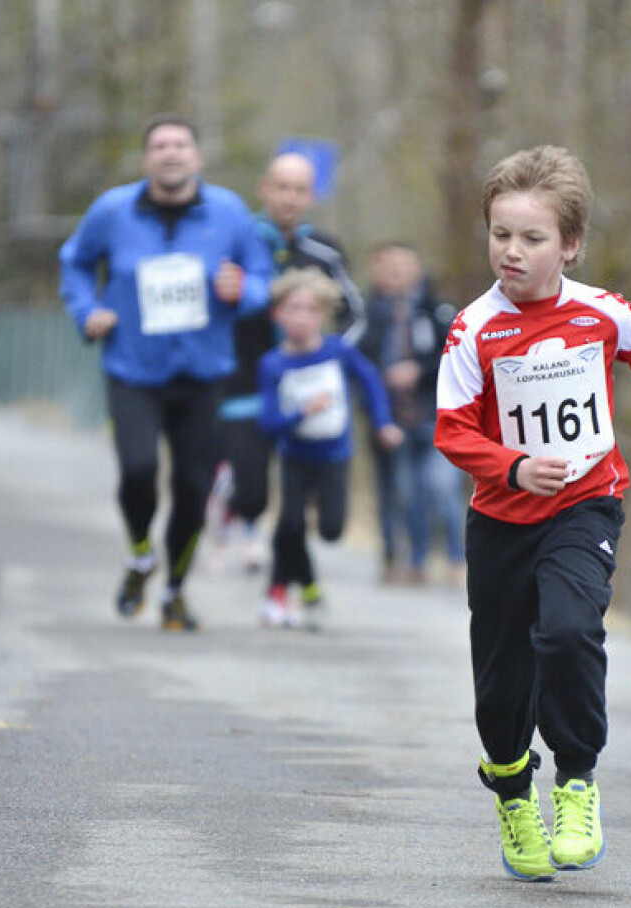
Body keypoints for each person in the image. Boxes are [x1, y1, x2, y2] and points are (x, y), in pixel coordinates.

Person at [435, 146, 631, 881]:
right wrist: (512, 466)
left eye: (532, 238)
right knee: (502, 678)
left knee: (570, 631)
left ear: (570, 245)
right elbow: (451, 428)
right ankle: (514, 792)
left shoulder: (601, 312)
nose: (511, 252)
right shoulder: (474, 328)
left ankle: (576, 780)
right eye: (499, 234)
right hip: (502, 520)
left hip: (587, 502)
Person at [59, 112, 273, 631]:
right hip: (133, 368)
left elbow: (264, 275)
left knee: (194, 487)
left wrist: (241, 291)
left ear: (197, 156)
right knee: (136, 471)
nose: (171, 152)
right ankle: (139, 555)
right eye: (160, 145)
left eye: (181, 144)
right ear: (146, 158)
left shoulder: (229, 212)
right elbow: (75, 263)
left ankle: (174, 591)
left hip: (203, 372)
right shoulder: (113, 211)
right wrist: (88, 313)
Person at [210, 152, 365, 572]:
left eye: (299, 189)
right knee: (253, 492)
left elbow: (355, 313)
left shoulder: (325, 251)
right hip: (243, 383)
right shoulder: (238, 242)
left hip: (306, 390)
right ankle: (234, 505)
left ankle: (287, 586)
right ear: (264, 189)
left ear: (311, 196)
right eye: (281, 187)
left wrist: (328, 358)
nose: (289, 198)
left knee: (300, 503)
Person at [257, 268, 401, 629]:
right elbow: (268, 423)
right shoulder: (273, 364)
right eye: (293, 308)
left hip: (335, 456)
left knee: (331, 530)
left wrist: (383, 422)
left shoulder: (338, 351)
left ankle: (302, 585)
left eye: (310, 309)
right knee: (290, 525)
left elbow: (371, 382)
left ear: (322, 315)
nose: (302, 317)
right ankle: (299, 588)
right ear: (278, 314)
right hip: (295, 456)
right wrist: (299, 414)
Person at [358, 242, 465, 584]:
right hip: (390, 419)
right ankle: (410, 559)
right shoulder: (369, 315)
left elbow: (456, 357)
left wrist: (417, 371)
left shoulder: (438, 311)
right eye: (390, 267)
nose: (397, 274)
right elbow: (360, 366)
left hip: (435, 417)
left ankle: (456, 558)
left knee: (442, 487)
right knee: (403, 492)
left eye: (404, 266)